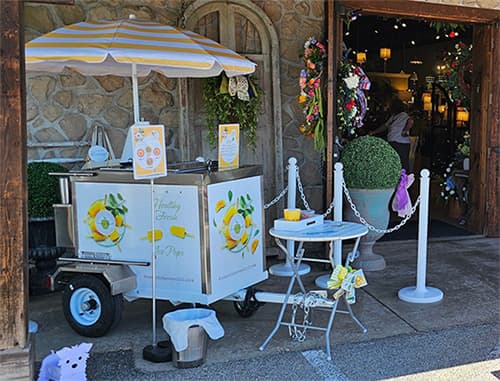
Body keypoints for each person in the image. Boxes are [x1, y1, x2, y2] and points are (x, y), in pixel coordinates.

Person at [369, 98, 413, 171]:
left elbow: (410, 121)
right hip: (394, 142)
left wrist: (405, 130)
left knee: (403, 164)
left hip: (401, 143)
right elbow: (385, 126)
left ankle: (405, 180)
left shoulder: (403, 115)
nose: (388, 107)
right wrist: (373, 132)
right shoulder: (394, 116)